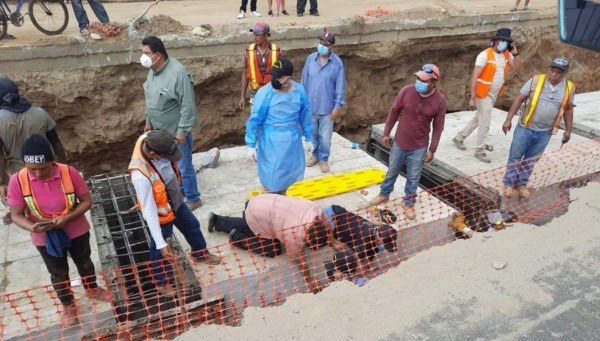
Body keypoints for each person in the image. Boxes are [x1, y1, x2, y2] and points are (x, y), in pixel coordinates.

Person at [7, 134, 112, 328]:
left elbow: (87, 201)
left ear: (53, 162)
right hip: (44, 237)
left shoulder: (68, 173)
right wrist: (33, 227)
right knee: (58, 272)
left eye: (44, 168)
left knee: (85, 262)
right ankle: (68, 305)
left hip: (75, 229)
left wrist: (67, 218)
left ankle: (92, 288)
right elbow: (16, 214)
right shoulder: (17, 180)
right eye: (32, 170)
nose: (38, 174)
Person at [128, 130, 221, 291]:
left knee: (192, 225)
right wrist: (160, 242)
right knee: (161, 248)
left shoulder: (153, 138)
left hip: (175, 200)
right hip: (160, 212)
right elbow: (149, 211)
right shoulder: (140, 175)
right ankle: (162, 282)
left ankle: (200, 253)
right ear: (153, 155)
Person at [207, 194, 331, 293]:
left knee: (254, 226)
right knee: (273, 249)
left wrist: (333, 241)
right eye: (310, 245)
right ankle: (237, 237)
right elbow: (299, 259)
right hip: (256, 212)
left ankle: (217, 220)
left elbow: (325, 223)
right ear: (307, 237)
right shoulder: (293, 234)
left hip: (264, 200)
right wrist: (309, 281)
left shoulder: (316, 211)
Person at [369, 64, 447, 220]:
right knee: (392, 170)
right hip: (400, 141)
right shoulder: (406, 91)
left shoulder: (439, 101)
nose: (419, 82)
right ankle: (384, 194)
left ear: (433, 82)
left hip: (419, 146)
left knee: (413, 176)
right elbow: (394, 111)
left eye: (424, 80)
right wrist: (386, 133)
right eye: (418, 78)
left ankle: (409, 203)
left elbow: (438, 127)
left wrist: (432, 149)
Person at [141, 36, 202, 211]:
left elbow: (187, 104)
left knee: (183, 165)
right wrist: (149, 121)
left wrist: (182, 131)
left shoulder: (178, 74)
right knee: (171, 166)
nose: (143, 57)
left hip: (175, 131)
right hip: (160, 131)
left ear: (158, 55)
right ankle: (180, 192)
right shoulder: (153, 70)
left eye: (146, 53)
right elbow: (151, 97)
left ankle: (193, 197)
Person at [501, 57, 575, 199]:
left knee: (531, 159)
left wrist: (568, 130)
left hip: (545, 132)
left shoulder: (569, 88)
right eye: (552, 70)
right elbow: (519, 99)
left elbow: (569, 110)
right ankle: (509, 183)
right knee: (516, 156)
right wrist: (508, 120)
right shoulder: (536, 80)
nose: (554, 75)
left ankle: (521, 184)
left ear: (564, 73)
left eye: (558, 72)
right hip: (525, 128)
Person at [0, 77, 66, 225]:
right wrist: (65, 167)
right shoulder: (40, 113)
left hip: (16, 170)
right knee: (43, 188)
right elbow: (56, 143)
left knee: (17, 194)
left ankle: (17, 213)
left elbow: (0, 157)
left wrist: (1, 182)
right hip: (43, 164)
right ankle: (47, 210)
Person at [452, 28, 522, 163]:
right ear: (495, 40)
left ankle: (459, 138)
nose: (503, 43)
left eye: (506, 41)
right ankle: (480, 151)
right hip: (483, 93)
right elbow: (474, 77)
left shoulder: (507, 54)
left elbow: (518, 68)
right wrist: (473, 97)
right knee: (485, 122)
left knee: (479, 117)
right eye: (501, 40)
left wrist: (516, 53)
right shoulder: (484, 55)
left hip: (494, 93)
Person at [245, 58, 313, 194]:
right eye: (273, 76)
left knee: (290, 177)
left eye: (278, 77)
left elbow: (305, 115)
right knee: (272, 178)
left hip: (292, 142)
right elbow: (255, 119)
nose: (274, 79)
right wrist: (251, 144)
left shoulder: (299, 91)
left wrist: (308, 137)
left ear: (288, 78)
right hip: (271, 143)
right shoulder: (265, 93)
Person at [301, 30, 346, 173]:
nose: (322, 46)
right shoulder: (310, 59)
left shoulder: (337, 64)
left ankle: (324, 159)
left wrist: (337, 106)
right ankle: (314, 156)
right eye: (320, 42)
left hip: (327, 109)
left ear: (332, 47)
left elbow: (340, 85)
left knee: (325, 138)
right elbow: (304, 81)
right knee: (312, 135)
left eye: (325, 44)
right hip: (310, 107)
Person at [323, 204, 398, 276]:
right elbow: (359, 262)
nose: (383, 247)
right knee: (342, 251)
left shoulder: (375, 231)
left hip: (340, 213)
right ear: (379, 240)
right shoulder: (363, 240)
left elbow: (371, 254)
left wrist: (366, 267)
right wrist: (364, 274)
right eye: (384, 245)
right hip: (330, 217)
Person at [239, 22, 282, 110]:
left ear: (266, 35)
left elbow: (282, 75)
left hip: (272, 93)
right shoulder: (249, 51)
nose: (255, 37)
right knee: (256, 121)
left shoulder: (276, 51)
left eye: (258, 34)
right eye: (254, 34)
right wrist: (242, 96)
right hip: (255, 93)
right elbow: (245, 73)